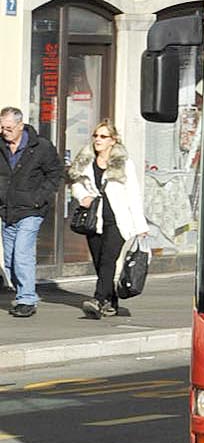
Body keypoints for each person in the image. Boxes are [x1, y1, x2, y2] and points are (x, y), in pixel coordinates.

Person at [69, 120, 148, 320]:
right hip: (94, 219)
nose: (98, 140)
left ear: (113, 141)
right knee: (99, 261)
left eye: (103, 136)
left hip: (118, 220)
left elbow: (134, 194)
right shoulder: (85, 161)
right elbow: (76, 184)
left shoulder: (124, 163)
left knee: (107, 260)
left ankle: (97, 299)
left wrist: (140, 226)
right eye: (96, 135)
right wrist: (82, 196)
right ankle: (110, 302)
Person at [0, 106, 63, 318]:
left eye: (9, 128)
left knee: (22, 255)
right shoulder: (1, 145)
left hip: (31, 210)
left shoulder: (41, 147)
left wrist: (39, 198)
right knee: (9, 260)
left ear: (20, 126)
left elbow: (55, 174)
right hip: (7, 210)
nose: (4, 131)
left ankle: (27, 299)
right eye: (2, 127)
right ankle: (22, 293)